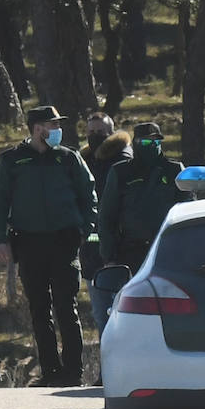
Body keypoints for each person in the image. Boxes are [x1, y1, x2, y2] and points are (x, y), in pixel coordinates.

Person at [0, 106, 97, 387]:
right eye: (52, 124)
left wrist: (85, 230)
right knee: (40, 309)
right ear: (38, 128)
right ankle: (51, 371)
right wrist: (1, 239)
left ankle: (72, 372)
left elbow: (89, 195)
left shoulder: (68, 158)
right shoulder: (13, 160)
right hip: (29, 243)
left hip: (64, 241)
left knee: (66, 307)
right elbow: (0, 202)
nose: (57, 130)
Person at [98, 122, 192, 273]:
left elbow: (188, 209)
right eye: (147, 141)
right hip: (131, 251)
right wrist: (109, 257)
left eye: (156, 141)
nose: (153, 145)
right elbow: (107, 217)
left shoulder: (174, 170)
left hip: (168, 249)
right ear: (136, 143)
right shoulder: (121, 172)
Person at [78, 113, 131, 334]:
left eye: (100, 132)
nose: (95, 136)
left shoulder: (124, 162)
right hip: (92, 253)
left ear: (111, 132)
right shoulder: (84, 162)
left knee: (125, 316)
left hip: (121, 254)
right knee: (101, 317)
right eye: (91, 132)